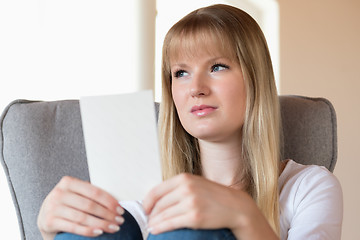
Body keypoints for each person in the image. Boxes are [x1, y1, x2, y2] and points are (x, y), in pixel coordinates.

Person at [37, 4, 343, 240]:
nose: (196, 88)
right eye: (180, 73)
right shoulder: (143, 193)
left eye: (218, 67)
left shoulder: (307, 188)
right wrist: (49, 229)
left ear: (255, 80)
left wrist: (244, 216)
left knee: (188, 229)